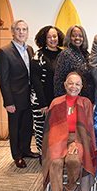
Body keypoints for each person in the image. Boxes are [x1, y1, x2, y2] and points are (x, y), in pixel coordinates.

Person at [42, 72, 97, 191]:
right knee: (55, 162)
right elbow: (51, 129)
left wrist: (77, 142)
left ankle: (70, 189)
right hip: (57, 138)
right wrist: (60, 142)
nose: (74, 86)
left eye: (77, 84)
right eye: (71, 83)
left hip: (78, 138)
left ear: (81, 87)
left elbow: (89, 129)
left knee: (73, 160)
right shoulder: (56, 102)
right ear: (65, 85)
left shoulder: (86, 103)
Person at [0, 19, 38, 168]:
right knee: (15, 128)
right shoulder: (5, 52)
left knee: (27, 125)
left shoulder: (30, 49)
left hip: (28, 97)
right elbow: (3, 79)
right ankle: (17, 155)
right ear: (13, 31)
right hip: (14, 98)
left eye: (24, 29)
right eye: (18, 29)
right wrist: (8, 102)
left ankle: (26, 150)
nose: (21, 32)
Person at [31, 25, 65, 163]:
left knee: (57, 130)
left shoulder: (63, 54)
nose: (52, 39)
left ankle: (56, 154)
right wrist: (43, 104)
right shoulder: (38, 55)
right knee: (42, 130)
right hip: (42, 102)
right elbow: (35, 80)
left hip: (59, 101)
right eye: (49, 36)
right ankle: (42, 155)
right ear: (44, 39)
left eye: (55, 36)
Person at [53, 25, 95, 103]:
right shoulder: (65, 54)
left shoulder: (86, 54)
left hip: (87, 100)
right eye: (74, 35)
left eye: (80, 36)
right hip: (72, 100)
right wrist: (61, 102)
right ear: (69, 37)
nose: (77, 38)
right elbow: (58, 81)